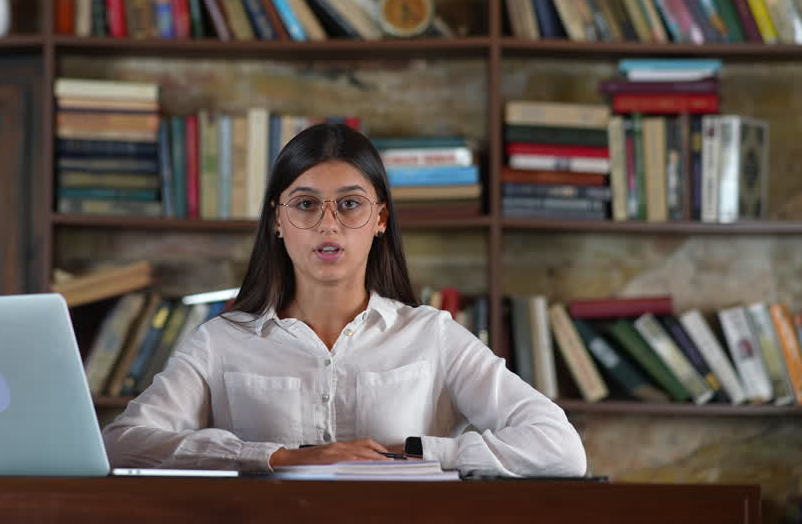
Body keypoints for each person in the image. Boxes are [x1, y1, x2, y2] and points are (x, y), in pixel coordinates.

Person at [102, 122, 587, 476]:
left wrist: (417, 453)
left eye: (350, 204)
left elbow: (560, 448)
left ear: (380, 219)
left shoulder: (432, 335)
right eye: (306, 204)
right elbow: (122, 444)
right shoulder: (220, 342)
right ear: (277, 220)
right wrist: (280, 458)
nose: (328, 225)